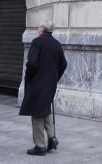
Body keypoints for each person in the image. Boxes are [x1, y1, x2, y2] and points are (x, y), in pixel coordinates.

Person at [19, 20, 67, 156]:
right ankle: (52, 139)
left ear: (42, 29)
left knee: (37, 112)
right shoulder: (57, 44)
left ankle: (40, 146)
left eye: (39, 27)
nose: (37, 29)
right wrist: (54, 77)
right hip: (50, 84)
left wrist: (29, 76)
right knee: (45, 109)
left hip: (37, 83)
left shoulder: (37, 42)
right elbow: (64, 64)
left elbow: (32, 63)